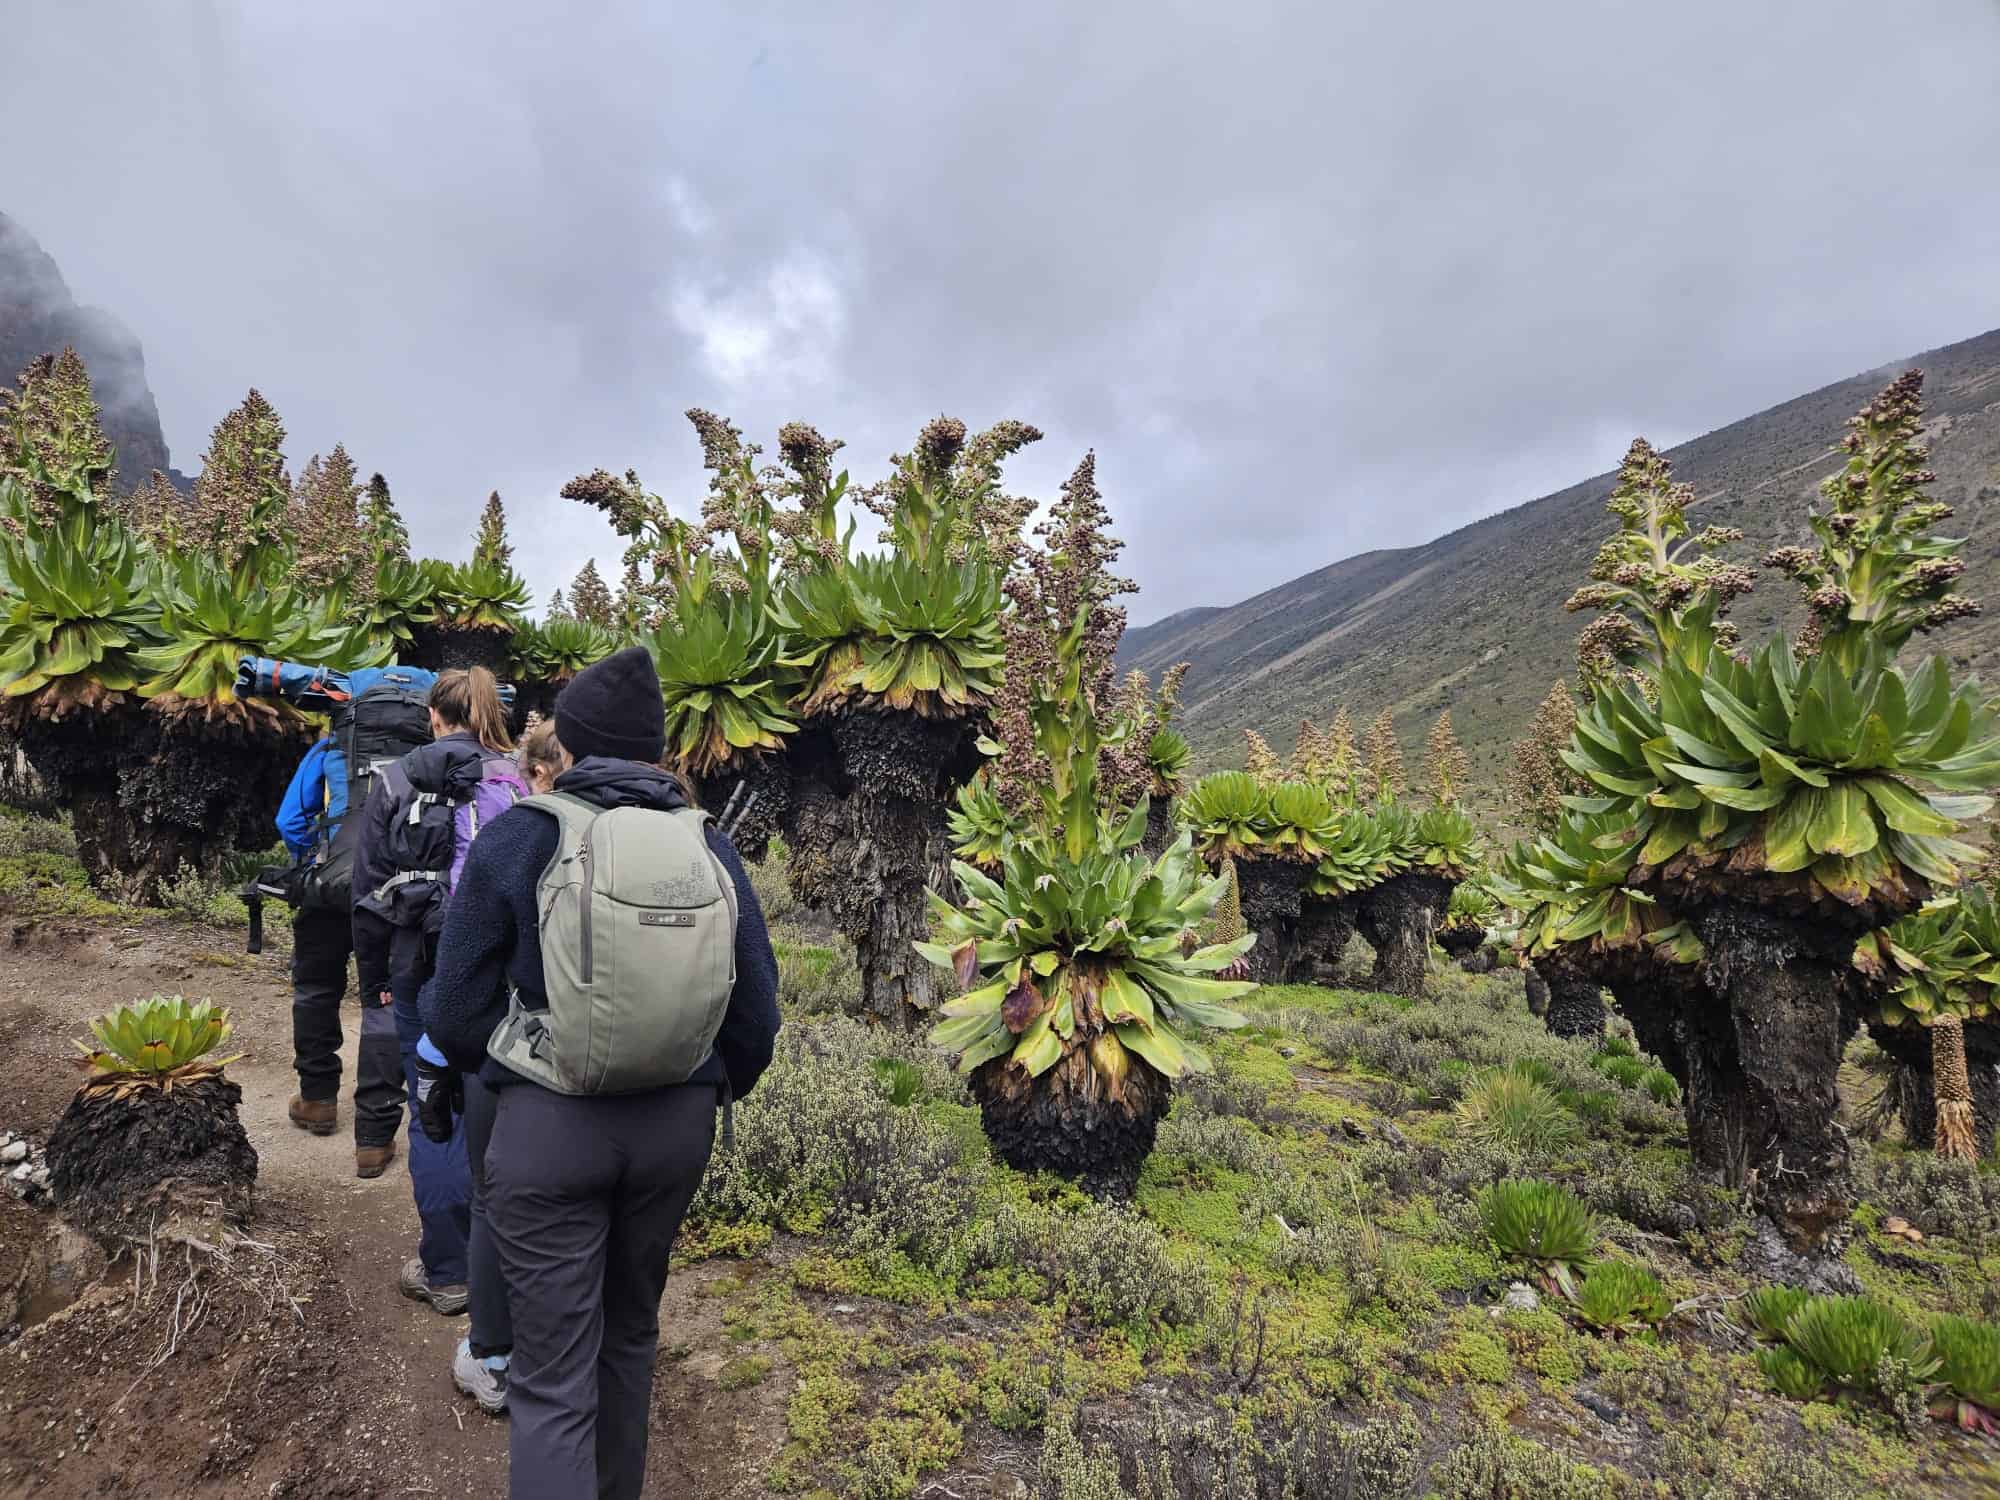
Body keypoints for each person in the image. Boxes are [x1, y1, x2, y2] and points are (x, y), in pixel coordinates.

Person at [421, 647, 779, 1499]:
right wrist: (697, 1084)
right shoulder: (712, 847)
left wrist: (501, 1069)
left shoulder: (523, 834)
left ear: (569, 743)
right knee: (629, 1341)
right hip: (674, 1133)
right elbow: (757, 1018)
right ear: (659, 752)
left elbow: (455, 1008)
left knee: (550, 1378)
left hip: (550, 1133)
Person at [353, 667, 527, 1319]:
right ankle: (503, 1263)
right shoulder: (513, 779)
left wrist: (375, 980)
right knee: (497, 1104)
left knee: (433, 1108)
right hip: (494, 971)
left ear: (433, 716)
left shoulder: (398, 777)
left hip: (414, 964)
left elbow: (367, 888)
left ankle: (449, 1270)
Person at [274, 707, 414, 1178]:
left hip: (329, 891)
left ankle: (317, 1099)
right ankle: (373, 1140)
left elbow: (290, 820)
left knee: (315, 989)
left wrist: (320, 865)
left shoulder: (330, 748)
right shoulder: (422, 755)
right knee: (384, 1001)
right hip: (393, 893)